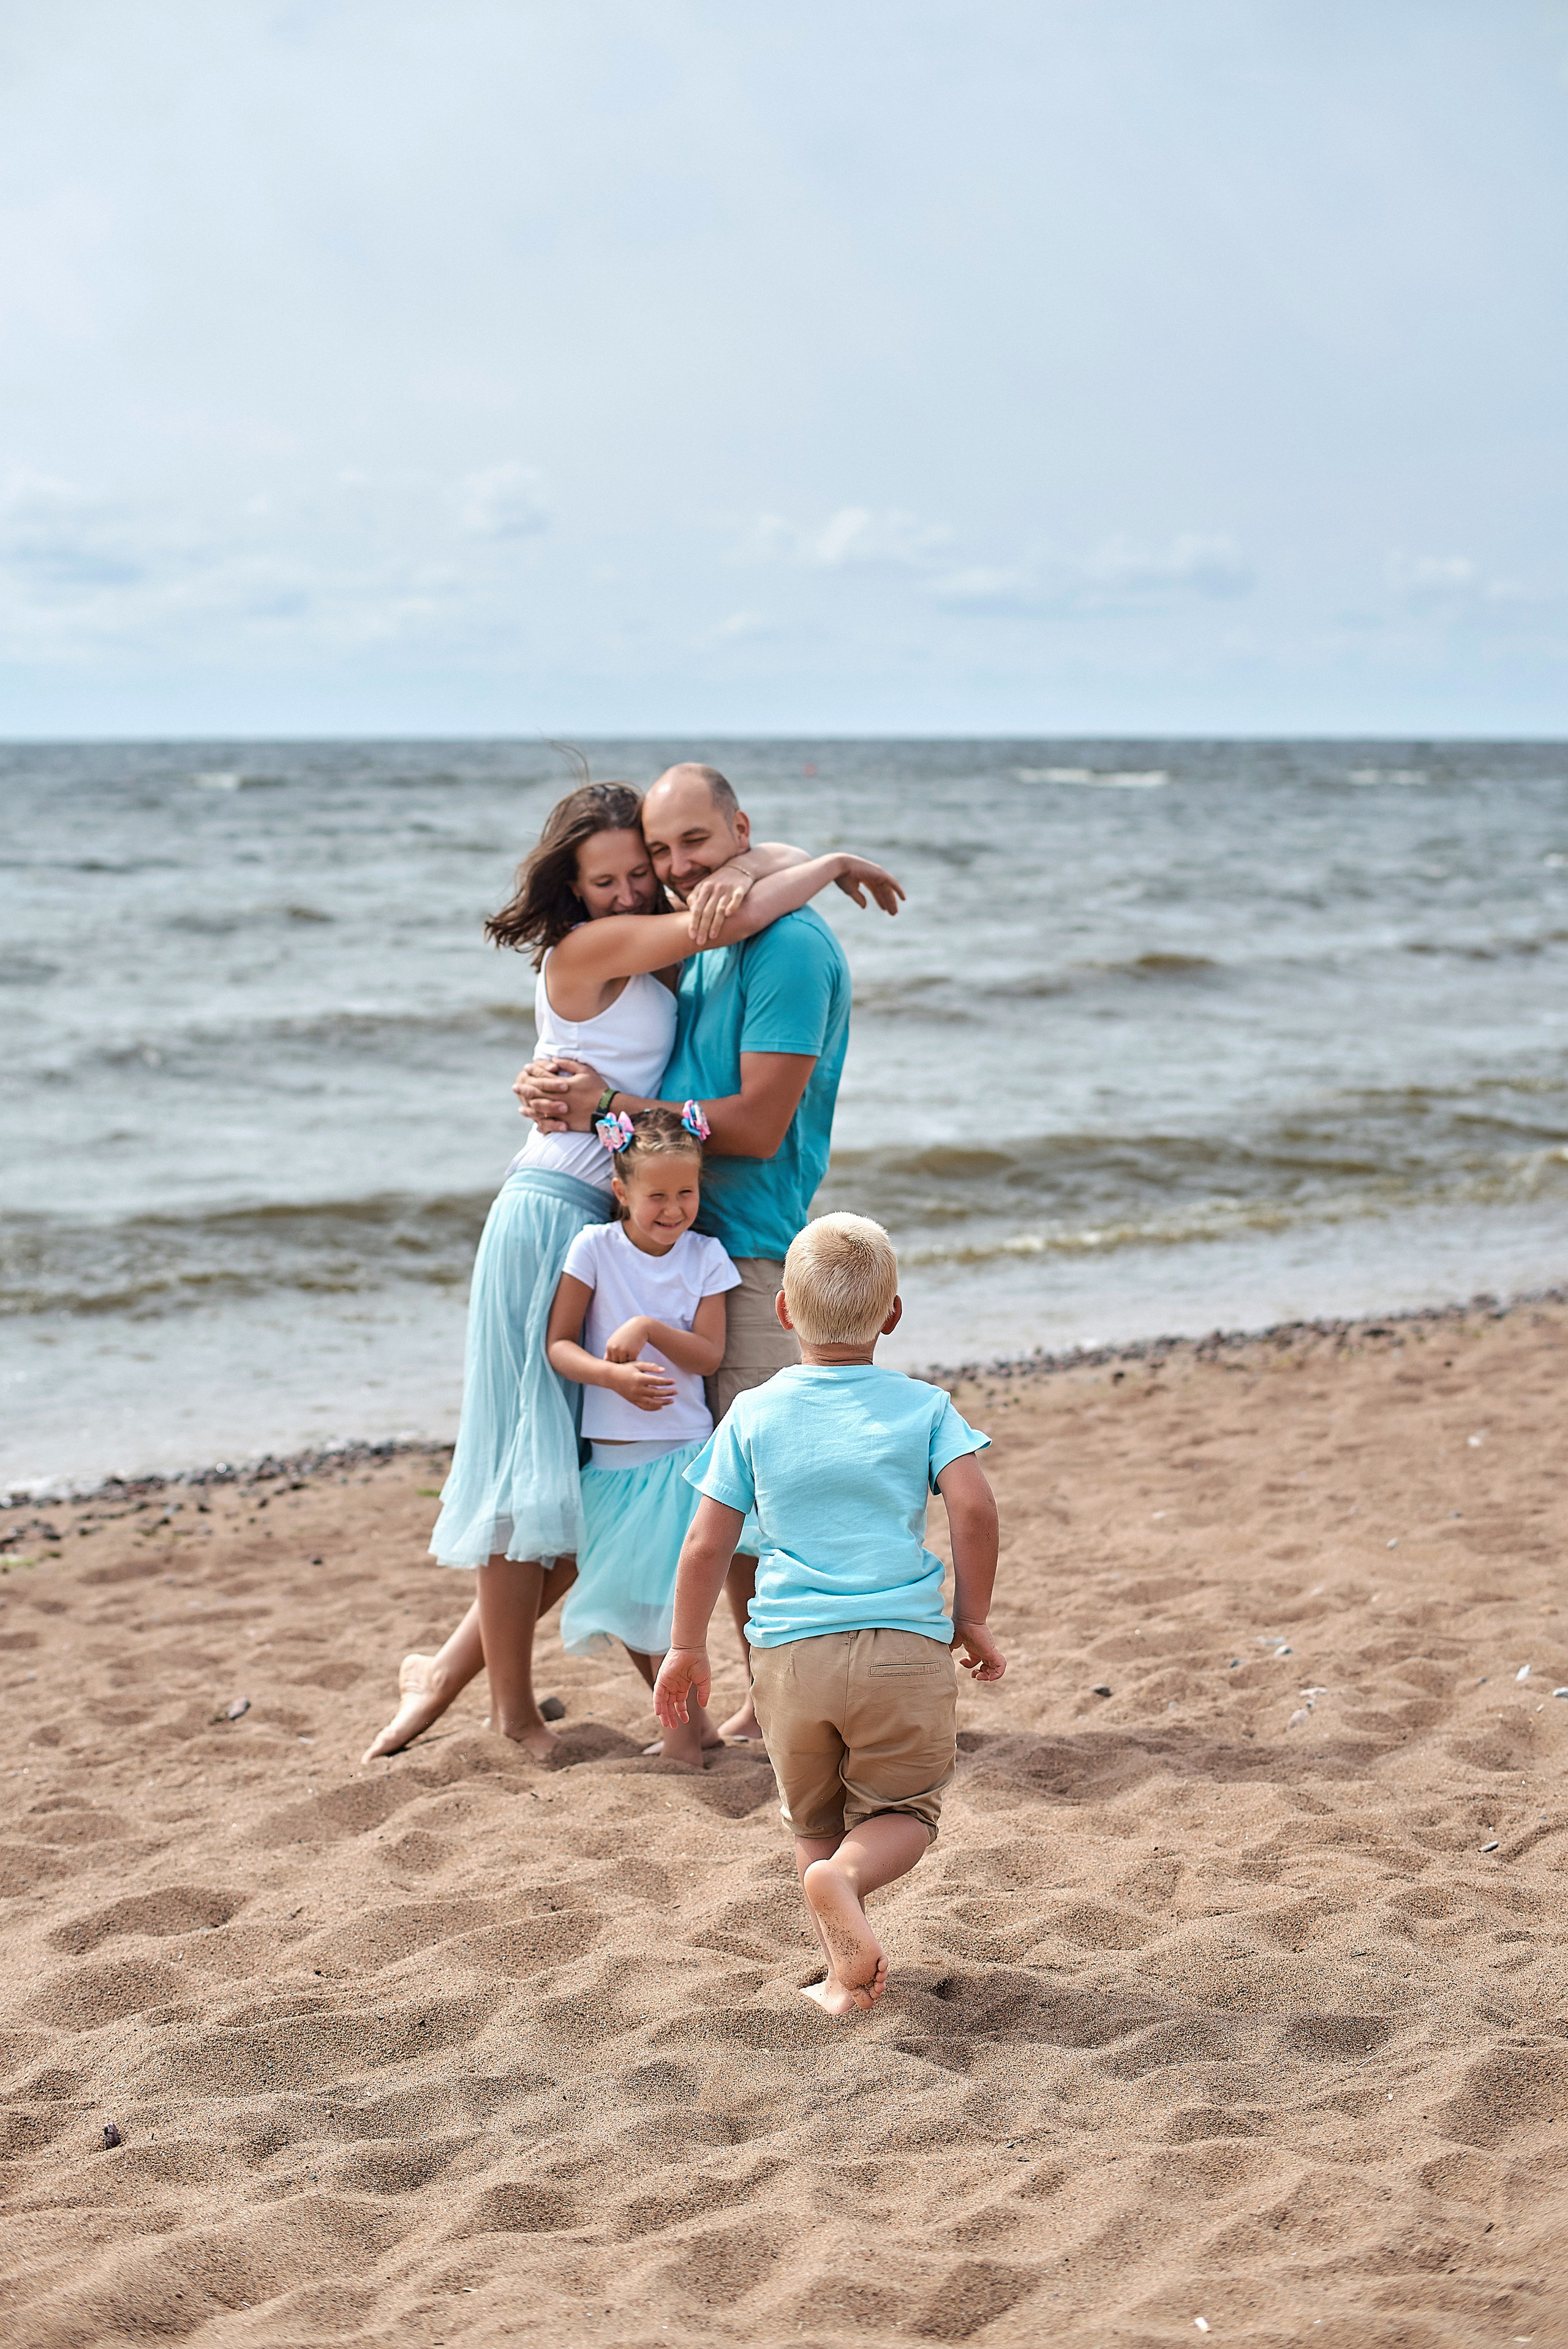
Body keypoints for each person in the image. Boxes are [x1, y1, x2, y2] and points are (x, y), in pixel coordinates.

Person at [363, 774, 902, 1766]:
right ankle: (504, 1701)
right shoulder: (623, 944)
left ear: (734, 834)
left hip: (665, 1231)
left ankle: (486, 1679)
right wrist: (816, 864)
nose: (644, 882)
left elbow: (749, 1098)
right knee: (556, 1472)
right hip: (572, 1220)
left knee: (632, 1484)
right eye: (622, 870)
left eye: (652, 862)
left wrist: (817, 864)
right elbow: (714, 906)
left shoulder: (755, 939)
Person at [516, 761, 875, 1744]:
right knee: (718, 1502)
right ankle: (774, 1696)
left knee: (769, 1502)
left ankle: (804, 1699)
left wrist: (609, 1108)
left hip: (754, 1249)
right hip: (686, 1249)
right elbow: (622, 1032)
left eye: (695, 846)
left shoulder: (790, 948)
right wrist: (561, 1087)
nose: (674, 870)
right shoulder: (718, 939)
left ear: (740, 831)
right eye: (659, 851)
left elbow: (757, 1126)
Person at [652, 1213, 1006, 2015]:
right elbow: (974, 1508)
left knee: (813, 1812)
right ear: (893, 1313)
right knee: (905, 1811)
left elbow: (706, 1543)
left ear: (781, 1310)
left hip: (788, 1655)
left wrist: (685, 1645)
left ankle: (842, 1967)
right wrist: (974, 1616)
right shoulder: (925, 1405)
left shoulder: (751, 1412)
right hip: (903, 1647)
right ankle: (844, 1883)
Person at [545, 1107, 742, 1765]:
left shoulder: (705, 1257)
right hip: (611, 1460)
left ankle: (683, 1745)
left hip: (680, 1456)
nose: (673, 1208)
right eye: (656, 1195)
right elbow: (558, 1346)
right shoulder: (593, 1249)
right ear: (621, 1191)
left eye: (685, 1192)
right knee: (623, 1604)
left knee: (662, 1610)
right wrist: (611, 1376)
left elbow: (710, 1356)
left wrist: (651, 1326)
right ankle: (697, 1727)